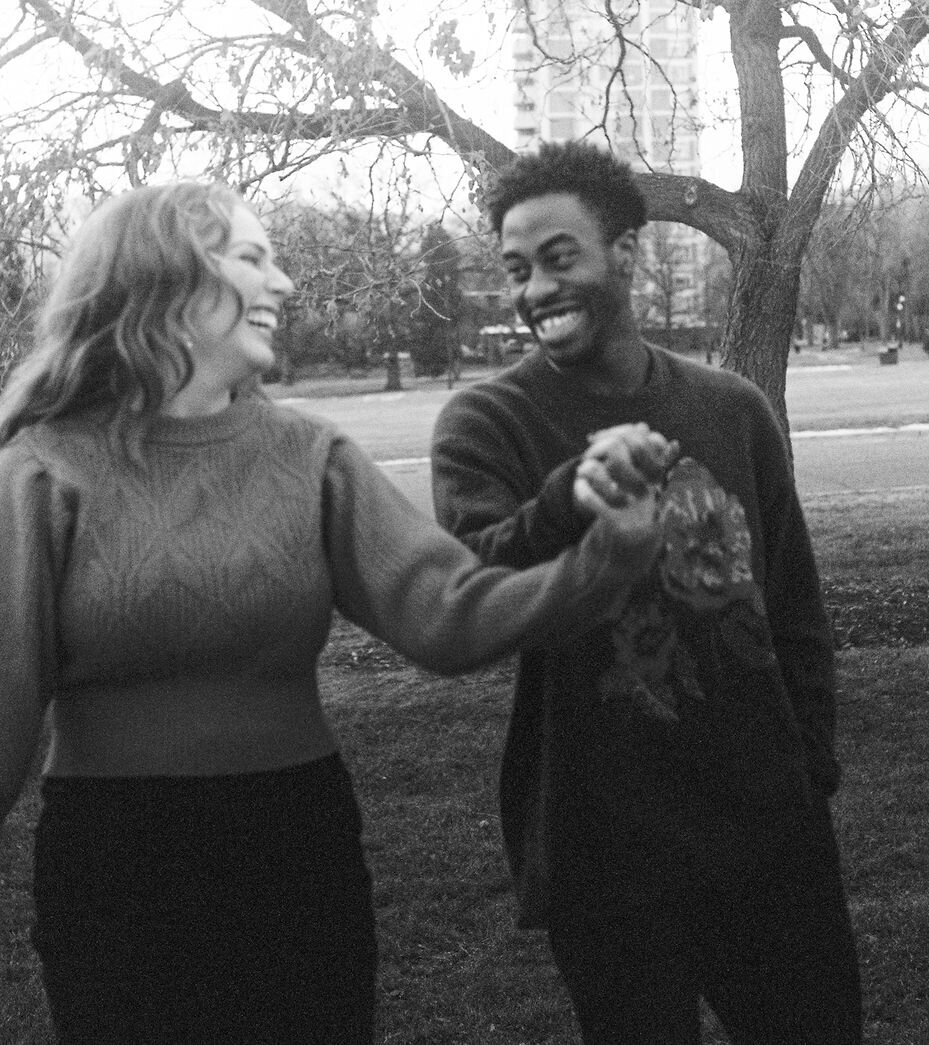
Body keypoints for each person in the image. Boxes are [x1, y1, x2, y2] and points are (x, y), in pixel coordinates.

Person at [0, 180, 666, 1045]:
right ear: (164, 280)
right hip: (117, 863)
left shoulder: (309, 455)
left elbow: (447, 612)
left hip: (294, 845)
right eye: (251, 259)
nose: (281, 284)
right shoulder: (42, 470)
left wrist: (600, 560)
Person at [431, 143, 863, 1045]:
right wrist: (569, 497)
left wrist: (807, 768)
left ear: (625, 253)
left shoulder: (731, 408)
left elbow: (794, 607)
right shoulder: (487, 423)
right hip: (607, 846)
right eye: (517, 270)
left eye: (560, 258)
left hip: (768, 831)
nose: (536, 289)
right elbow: (474, 586)